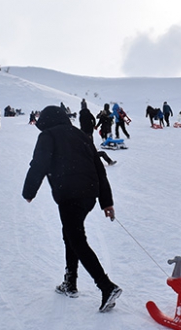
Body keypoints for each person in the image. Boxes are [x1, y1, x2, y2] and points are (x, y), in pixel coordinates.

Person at [22, 105, 122, 312]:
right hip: (89, 194)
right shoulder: (81, 135)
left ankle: (106, 286)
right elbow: (99, 169)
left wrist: (29, 192)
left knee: (76, 238)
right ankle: (70, 282)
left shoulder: (48, 135)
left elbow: (39, 164)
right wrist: (106, 202)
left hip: (68, 192)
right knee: (71, 234)